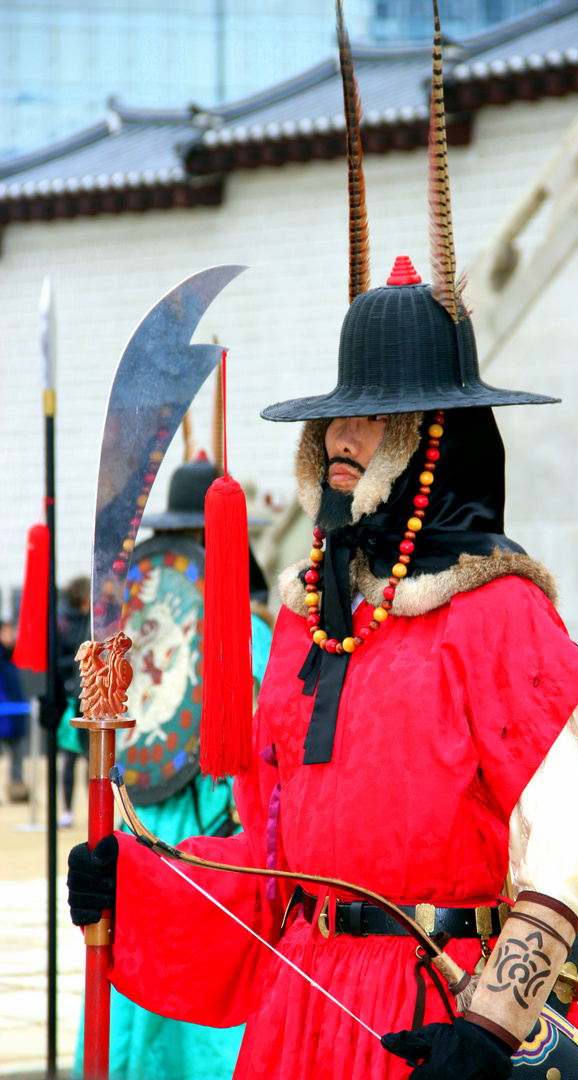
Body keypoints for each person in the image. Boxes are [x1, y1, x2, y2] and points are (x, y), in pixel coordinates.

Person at [67, 6, 578, 1079]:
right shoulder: (320, 625)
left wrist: (487, 1029)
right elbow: (267, 857)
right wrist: (136, 891)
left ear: (436, 437)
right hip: (300, 1015)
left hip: (440, 1010)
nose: (346, 436)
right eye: (339, 418)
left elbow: (569, 845)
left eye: (378, 416)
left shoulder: (500, 615)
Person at [72, 452, 274, 1080]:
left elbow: (82, 737)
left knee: (166, 1016)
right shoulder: (256, 638)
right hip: (165, 857)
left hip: (201, 866)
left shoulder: (134, 628)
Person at [55, 576, 91, 827]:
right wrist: (80, 657)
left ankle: (96, 811)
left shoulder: (92, 622)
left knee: (94, 759)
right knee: (68, 759)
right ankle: (67, 810)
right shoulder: (63, 623)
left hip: (90, 697)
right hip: (71, 699)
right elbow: (58, 662)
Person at [0, 621, 30, 802]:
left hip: (14, 715)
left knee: (18, 754)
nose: (11, 637)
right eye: (6, 633)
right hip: (4, 715)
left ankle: (16, 790)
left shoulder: (13, 658)